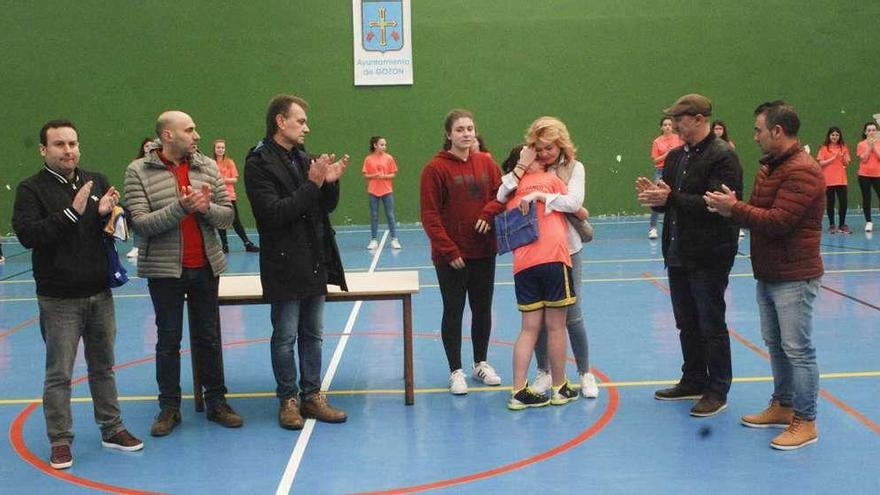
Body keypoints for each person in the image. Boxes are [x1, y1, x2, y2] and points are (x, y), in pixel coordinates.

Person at [12, 120, 143, 470]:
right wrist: (73, 212)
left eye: (72, 143)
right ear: (44, 150)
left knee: (104, 367)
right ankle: (59, 440)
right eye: (59, 144)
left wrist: (111, 216)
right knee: (60, 374)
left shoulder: (95, 180)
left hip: (99, 294)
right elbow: (29, 235)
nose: (68, 150)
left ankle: (112, 428)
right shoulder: (31, 190)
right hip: (59, 300)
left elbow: (114, 232)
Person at [705, 100, 825, 450]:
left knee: (798, 349)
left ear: (777, 131)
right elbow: (759, 212)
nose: (754, 137)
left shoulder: (802, 170)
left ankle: (806, 420)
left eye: (759, 130)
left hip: (794, 275)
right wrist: (735, 206)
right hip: (771, 271)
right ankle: (783, 405)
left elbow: (778, 221)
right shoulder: (770, 168)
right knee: (776, 344)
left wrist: (735, 209)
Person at [124, 110, 242, 436]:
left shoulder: (208, 167)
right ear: (168, 135)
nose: (197, 135)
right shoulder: (138, 172)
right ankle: (169, 408)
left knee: (209, 337)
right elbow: (142, 224)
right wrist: (182, 208)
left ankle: (217, 401)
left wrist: (206, 208)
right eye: (190, 130)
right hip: (164, 272)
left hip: (205, 267)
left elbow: (227, 216)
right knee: (168, 340)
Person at [244, 94, 350, 430]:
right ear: (280, 121)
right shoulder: (258, 163)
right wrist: (313, 183)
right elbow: (275, 214)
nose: (307, 127)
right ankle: (288, 399)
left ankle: (312, 396)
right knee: (285, 335)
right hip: (283, 263)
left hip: (314, 259)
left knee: (313, 333)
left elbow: (322, 207)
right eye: (300, 121)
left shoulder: (305, 158)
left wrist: (330, 185)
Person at [636, 93, 743, 417]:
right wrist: (655, 198)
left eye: (680, 118)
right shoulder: (675, 157)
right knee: (686, 321)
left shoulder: (723, 157)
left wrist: (672, 199)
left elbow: (716, 205)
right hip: (679, 251)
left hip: (709, 253)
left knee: (711, 322)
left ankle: (717, 388)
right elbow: (671, 201)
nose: (675, 125)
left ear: (699, 119)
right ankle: (694, 378)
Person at [495, 118, 599, 399]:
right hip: (537, 252)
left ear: (561, 144)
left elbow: (575, 204)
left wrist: (543, 196)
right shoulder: (529, 170)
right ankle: (545, 373)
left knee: (571, 317)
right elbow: (501, 192)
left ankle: (584, 373)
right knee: (540, 322)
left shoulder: (573, 168)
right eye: (538, 149)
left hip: (566, 250)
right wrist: (522, 168)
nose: (544, 154)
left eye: (549, 148)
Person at [420, 109, 505, 395]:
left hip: (484, 252)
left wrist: (489, 211)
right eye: (460, 129)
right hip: (451, 258)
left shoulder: (487, 164)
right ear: (448, 134)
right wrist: (448, 249)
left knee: (482, 310)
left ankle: (480, 363)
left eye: (470, 128)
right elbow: (430, 215)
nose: (466, 133)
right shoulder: (435, 169)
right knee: (453, 311)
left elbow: (501, 197)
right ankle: (455, 370)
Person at [500, 143, 579, 410]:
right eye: (535, 154)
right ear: (524, 160)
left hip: (524, 266)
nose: (542, 158)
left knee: (528, 328)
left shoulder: (510, 190)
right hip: (554, 259)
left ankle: (519, 391)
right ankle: (559, 387)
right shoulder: (550, 180)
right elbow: (576, 207)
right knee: (556, 327)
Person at [213, 139, 259, 253]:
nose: (220, 149)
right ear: (214, 149)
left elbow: (234, 179)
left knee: (235, 221)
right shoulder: (210, 163)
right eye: (218, 147)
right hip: (216, 196)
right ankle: (225, 246)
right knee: (220, 220)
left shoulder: (229, 162)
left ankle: (247, 243)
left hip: (229, 196)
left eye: (222, 148)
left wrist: (222, 179)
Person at [648, 117, 684, 239]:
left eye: (669, 124)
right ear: (661, 127)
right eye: (665, 125)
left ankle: (678, 227)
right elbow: (655, 160)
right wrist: (667, 154)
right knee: (656, 198)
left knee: (676, 196)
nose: (668, 126)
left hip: (676, 169)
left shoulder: (679, 138)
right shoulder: (657, 142)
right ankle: (653, 228)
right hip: (661, 171)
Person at [362, 135, 401, 250]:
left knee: (390, 215)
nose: (384, 147)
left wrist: (384, 176)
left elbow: (393, 173)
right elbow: (365, 175)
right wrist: (375, 175)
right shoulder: (368, 159)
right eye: (382, 144)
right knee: (374, 215)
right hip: (373, 191)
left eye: (385, 144)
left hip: (387, 190)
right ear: (375, 145)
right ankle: (374, 240)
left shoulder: (389, 158)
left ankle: (394, 239)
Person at [816, 126, 852, 234]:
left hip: (841, 180)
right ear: (829, 136)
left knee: (843, 202)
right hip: (828, 180)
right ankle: (832, 224)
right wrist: (833, 158)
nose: (835, 137)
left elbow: (846, 162)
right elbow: (820, 163)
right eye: (833, 135)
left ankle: (842, 225)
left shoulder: (843, 147)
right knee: (830, 203)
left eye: (837, 135)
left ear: (839, 136)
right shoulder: (824, 148)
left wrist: (845, 159)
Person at [125, 138, 153, 259]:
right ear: (143, 148)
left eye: (151, 146)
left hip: (154, 197)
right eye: (146, 146)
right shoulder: (136, 163)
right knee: (137, 221)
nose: (149, 148)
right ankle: (136, 247)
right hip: (140, 197)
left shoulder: (160, 163)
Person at [856, 121, 880, 232]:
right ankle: (869, 222)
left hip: (878, 175)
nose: (871, 132)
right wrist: (869, 146)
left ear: (876, 132)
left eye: (873, 130)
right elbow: (864, 159)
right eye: (869, 130)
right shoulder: (861, 144)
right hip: (864, 175)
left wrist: (874, 146)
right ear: (865, 132)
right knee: (867, 198)